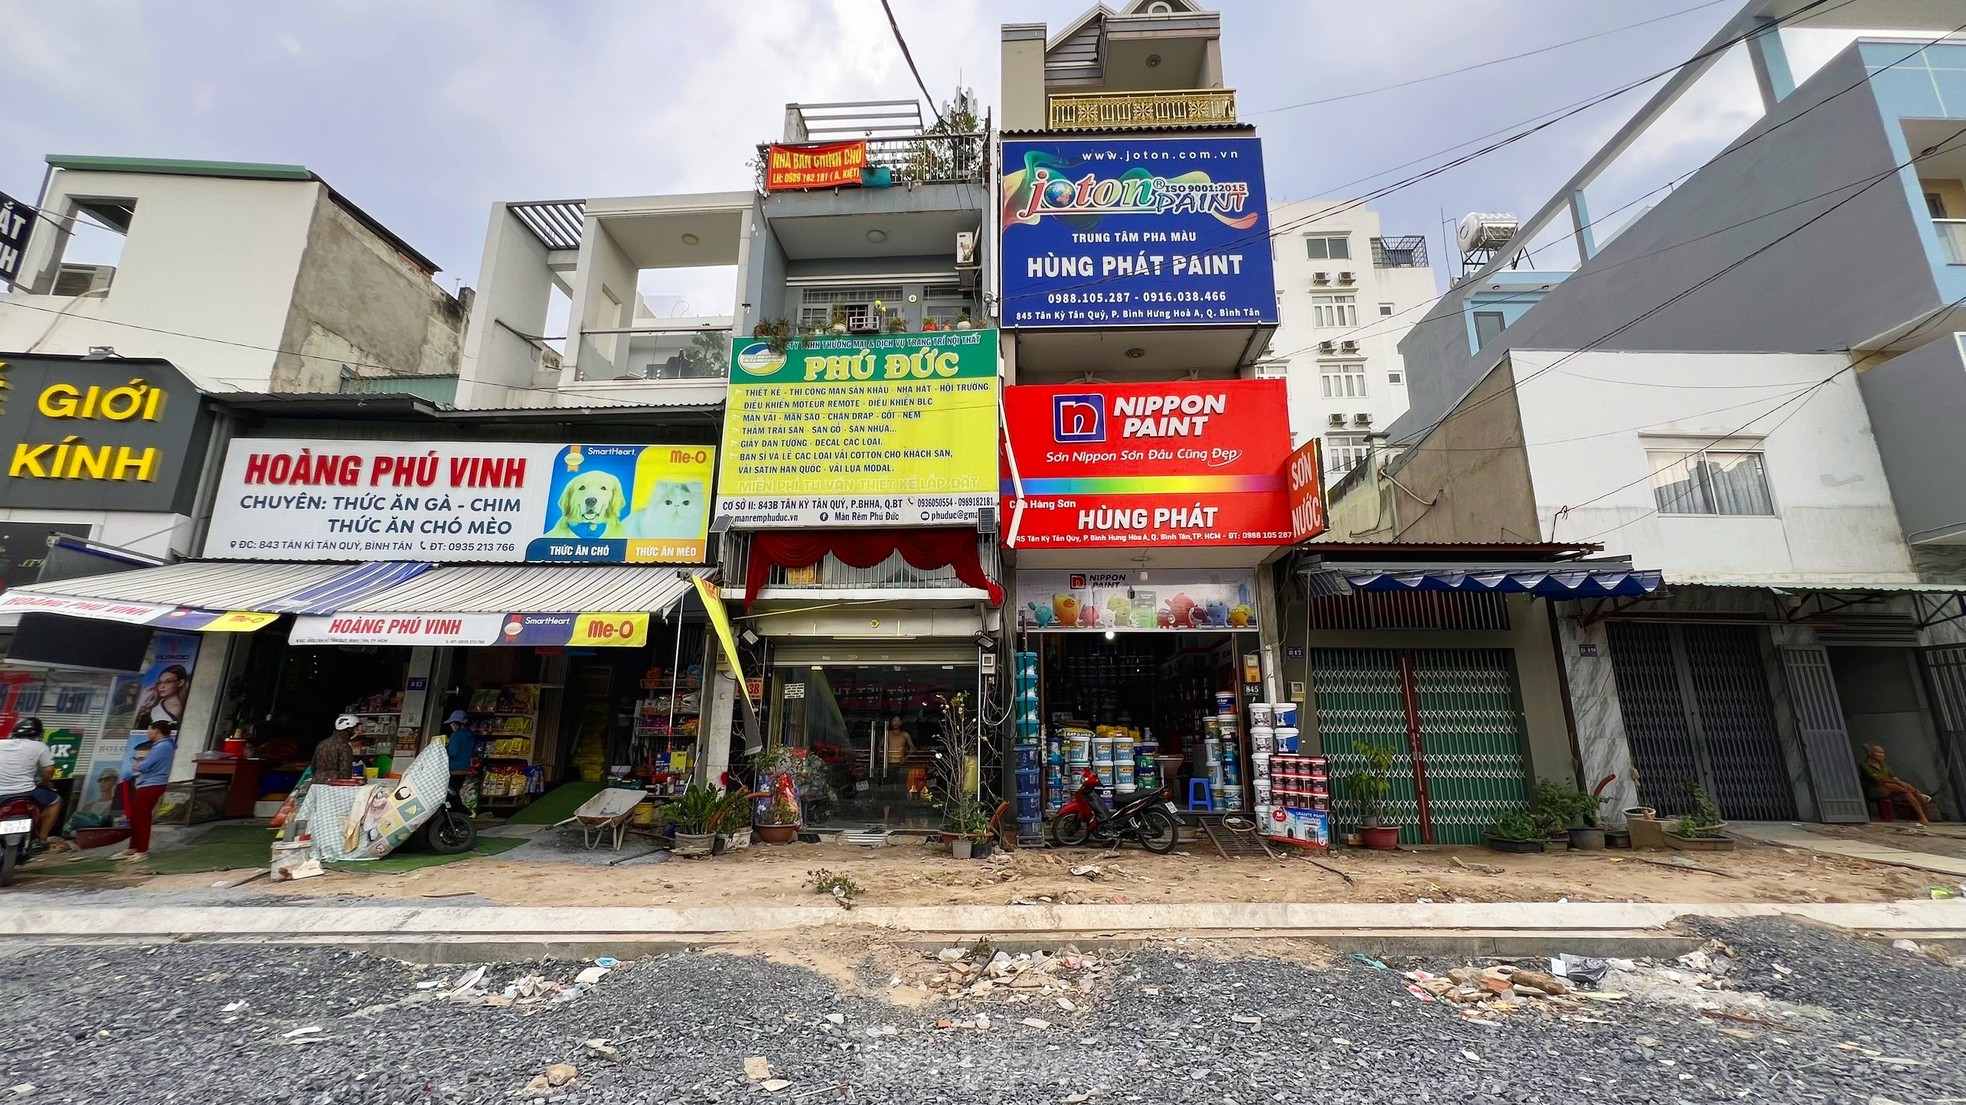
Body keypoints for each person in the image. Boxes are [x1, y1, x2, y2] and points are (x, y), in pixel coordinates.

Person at [0, 717, 63, 851]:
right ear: (38, 734)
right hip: (26, 793)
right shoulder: (40, 747)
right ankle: (42, 838)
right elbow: (49, 769)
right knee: (55, 801)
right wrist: (45, 782)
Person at [118, 720, 176, 862]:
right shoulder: (163, 745)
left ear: (156, 731)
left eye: (149, 730)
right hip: (148, 783)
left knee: (142, 817)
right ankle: (133, 847)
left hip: (153, 784)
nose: (148, 733)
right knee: (137, 816)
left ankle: (142, 850)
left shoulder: (163, 746)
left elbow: (145, 766)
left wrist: (141, 766)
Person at [1861, 743, 1937, 823]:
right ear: (1870, 753)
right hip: (1873, 791)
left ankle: (1923, 817)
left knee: (1907, 793)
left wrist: (1904, 784)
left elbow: (1896, 779)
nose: (1882, 755)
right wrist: (1898, 782)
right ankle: (1918, 793)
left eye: (1883, 753)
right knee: (1890, 785)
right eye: (1879, 752)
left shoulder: (1885, 766)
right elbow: (1878, 779)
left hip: (1890, 791)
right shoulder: (1865, 765)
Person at [444, 710, 476, 781]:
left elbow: (453, 753)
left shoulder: (456, 735)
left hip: (455, 766)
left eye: (452, 723)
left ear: (457, 724)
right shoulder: (470, 734)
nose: (451, 725)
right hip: (467, 765)